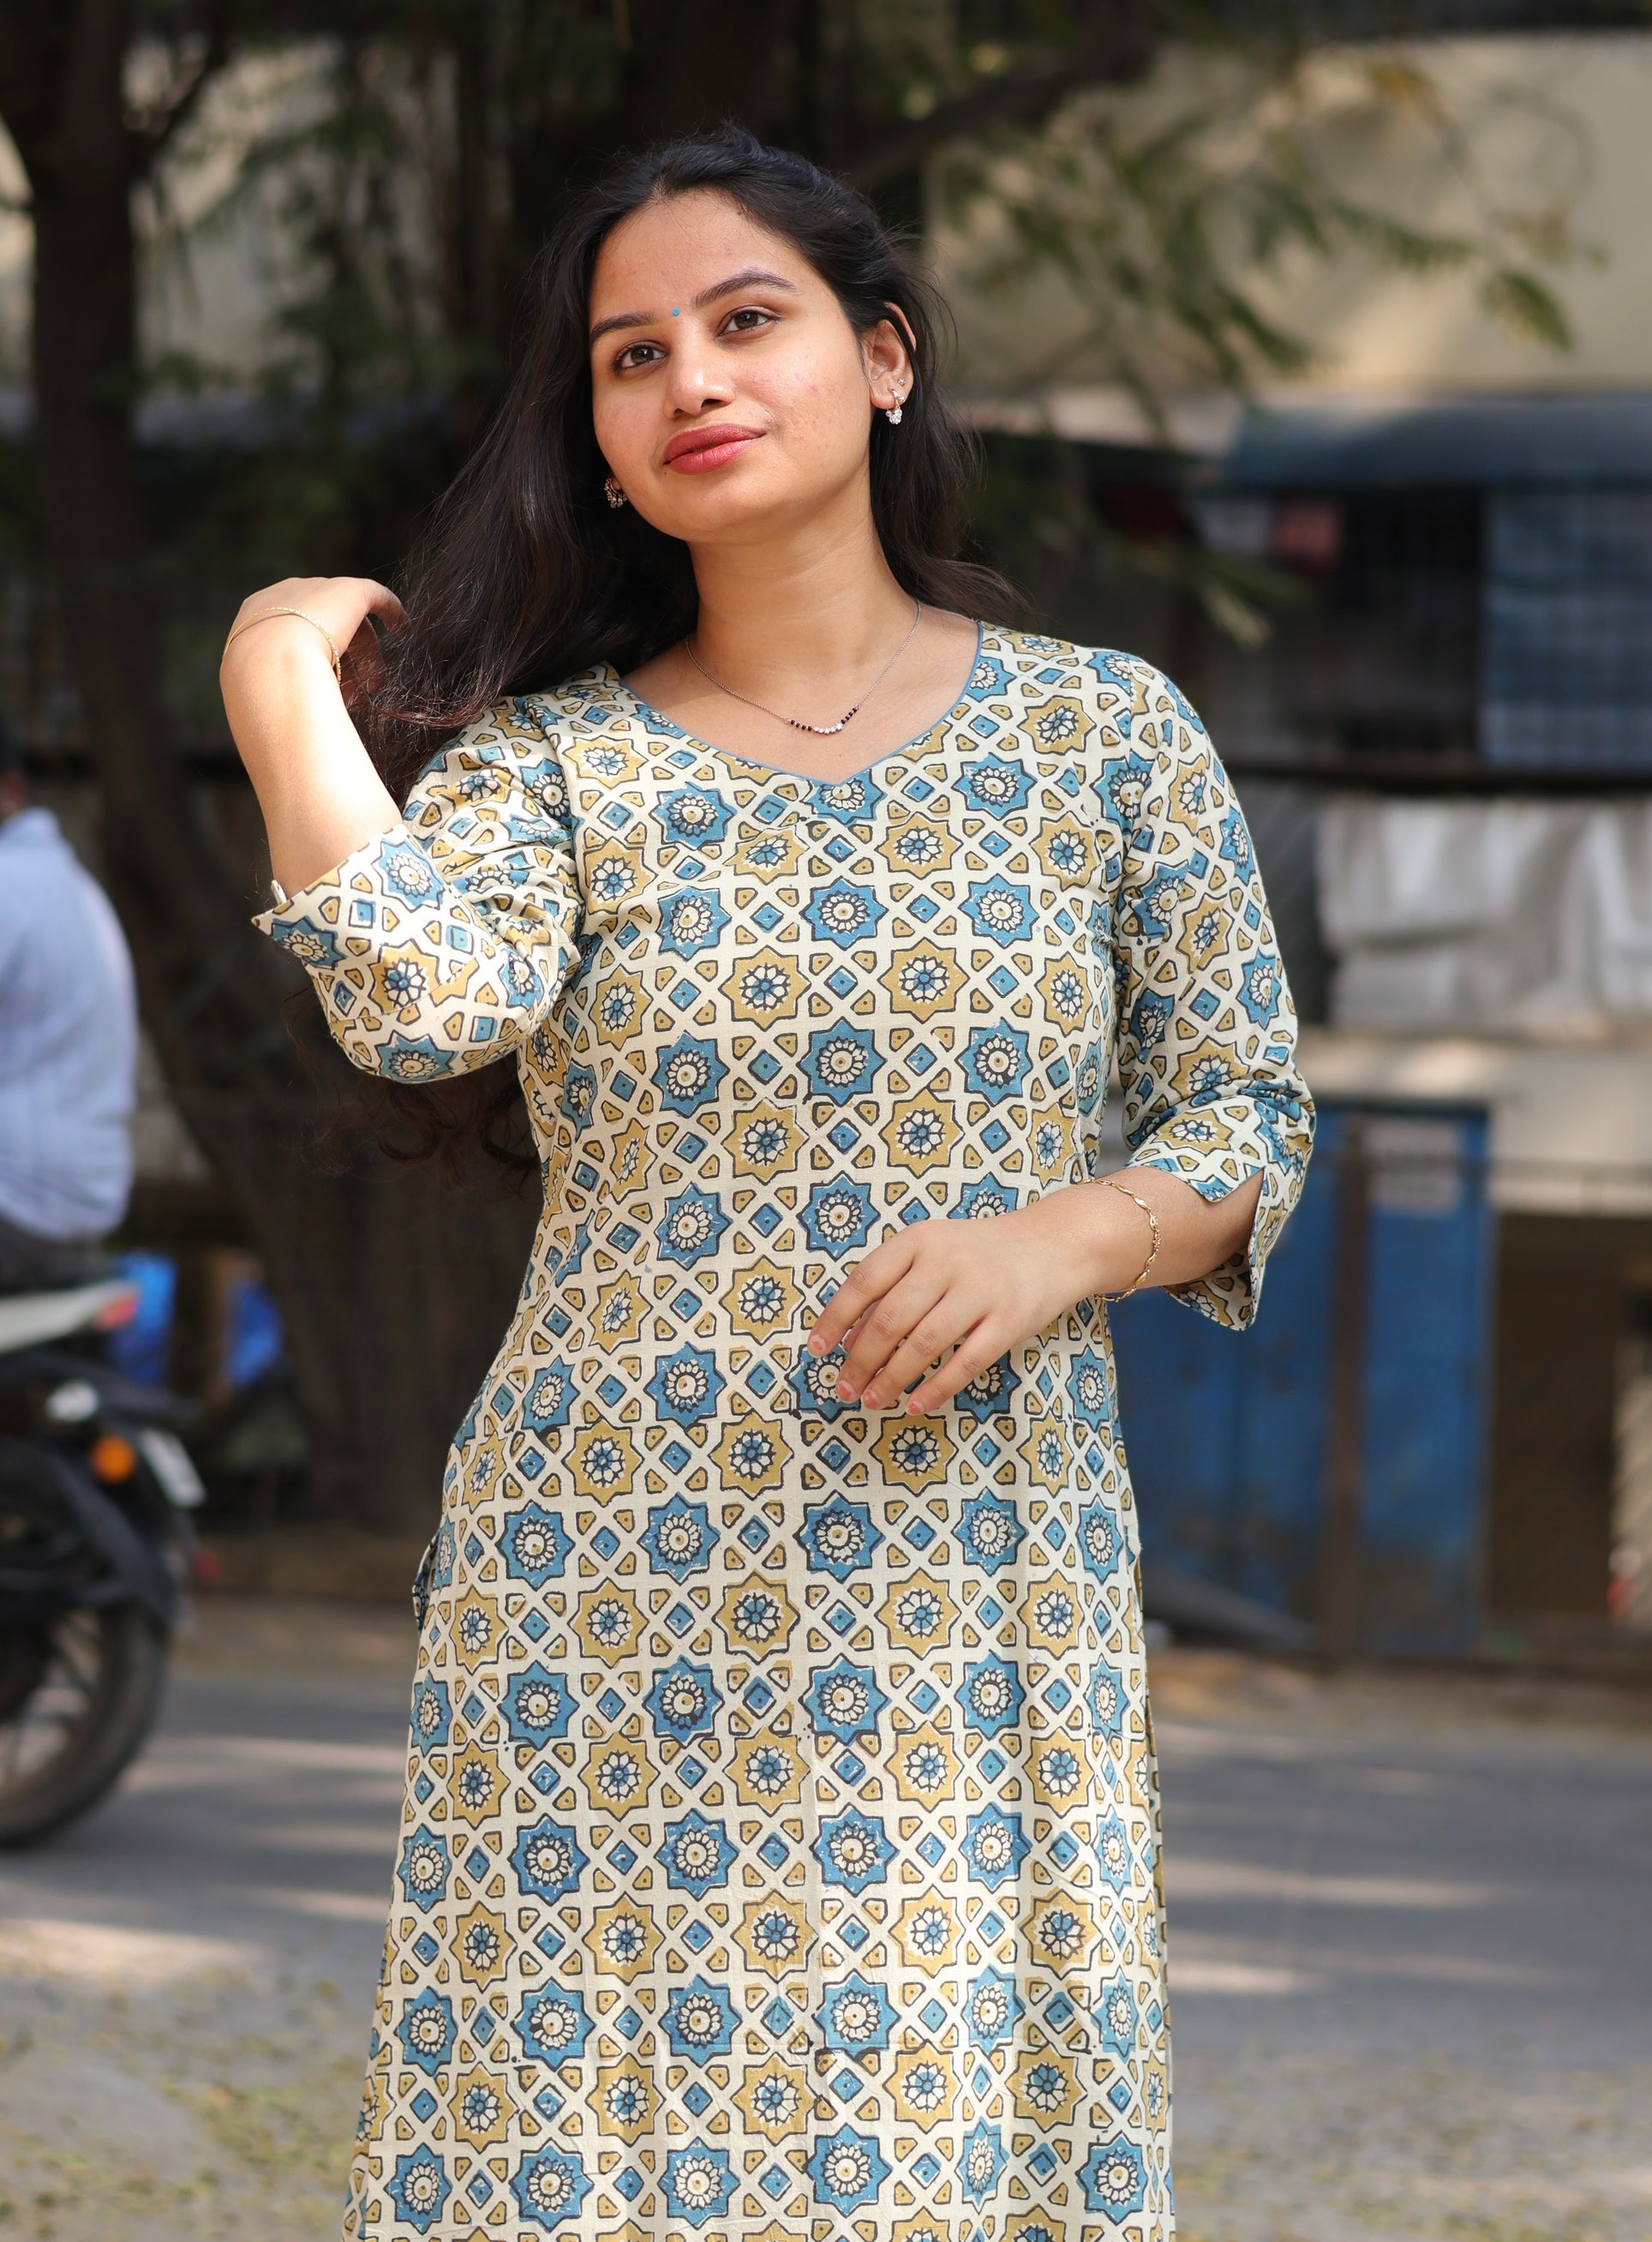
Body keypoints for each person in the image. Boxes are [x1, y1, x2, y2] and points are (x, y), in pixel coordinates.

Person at [221, 129, 1313, 2242]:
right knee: (591, 2150)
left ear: (883, 357)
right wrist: (278, 674)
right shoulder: (558, 765)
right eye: (631, 357)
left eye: (745, 320)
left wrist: (1061, 1240)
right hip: (603, 1576)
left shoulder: (1105, 737)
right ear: (603, 447)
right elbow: (419, 1006)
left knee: (941, 2141)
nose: (692, 379)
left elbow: (1244, 1114)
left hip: (968, 1573)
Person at [0, 716, 138, 1293]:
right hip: (82, 1209)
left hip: (18, 1205)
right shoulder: (72, 883)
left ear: (10, 789)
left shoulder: (9, 881)